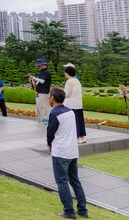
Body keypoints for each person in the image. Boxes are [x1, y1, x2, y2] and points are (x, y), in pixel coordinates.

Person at [47, 87, 88, 219]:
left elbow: (50, 132)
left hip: (60, 152)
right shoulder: (70, 111)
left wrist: (49, 143)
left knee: (62, 182)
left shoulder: (55, 113)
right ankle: (82, 210)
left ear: (53, 98)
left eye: (49, 96)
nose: (48, 98)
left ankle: (69, 211)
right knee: (75, 181)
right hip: (72, 151)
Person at [63, 64, 85, 143]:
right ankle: (82, 137)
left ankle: (77, 137)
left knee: (73, 122)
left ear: (67, 73)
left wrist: (61, 91)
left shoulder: (69, 81)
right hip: (78, 104)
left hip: (70, 105)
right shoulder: (77, 80)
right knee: (79, 121)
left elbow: (67, 94)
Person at [29, 58, 52, 124]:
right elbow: (39, 82)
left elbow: (42, 81)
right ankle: (40, 120)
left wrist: (34, 78)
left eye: (39, 65)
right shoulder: (41, 72)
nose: (39, 67)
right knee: (39, 107)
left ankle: (47, 120)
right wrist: (32, 81)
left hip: (44, 92)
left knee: (44, 106)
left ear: (43, 64)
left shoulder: (47, 72)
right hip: (39, 92)